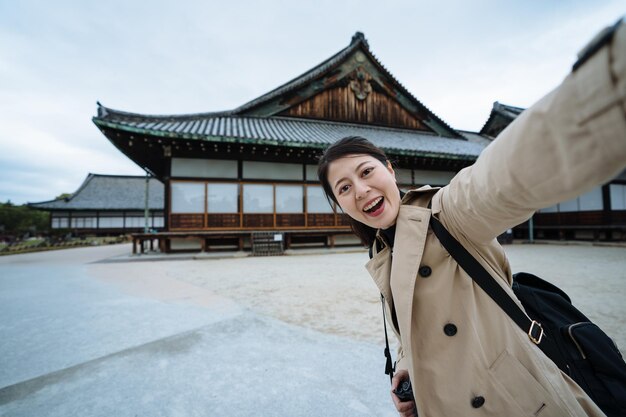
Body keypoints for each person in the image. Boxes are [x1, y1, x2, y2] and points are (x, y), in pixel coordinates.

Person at [317, 19, 625, 417]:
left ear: (390, 170)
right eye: (343, 188)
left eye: (366, 172)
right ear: (340, 205)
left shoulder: (450, 214)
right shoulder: (382, 249)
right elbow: (419, 323)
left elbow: (508, 172)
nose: (359, 190)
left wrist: (607, 84)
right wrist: (410, 364)